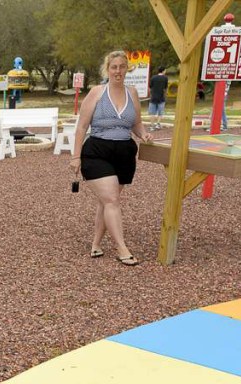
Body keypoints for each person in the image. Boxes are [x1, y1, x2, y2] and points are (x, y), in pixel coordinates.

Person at [70, 50, 153, 266]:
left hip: (124, 152)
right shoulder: (97, 92)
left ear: (127, 69)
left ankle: (96, 244)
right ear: (107, 69)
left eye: (121, 67)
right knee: (111, 200)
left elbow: (136, 122)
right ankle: (121, 248)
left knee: (106, 202)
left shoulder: (132, 93)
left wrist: (143, 133)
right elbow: (81, 126)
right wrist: (76, 156)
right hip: (97, 151)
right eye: (113, 67)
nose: (118, 71)